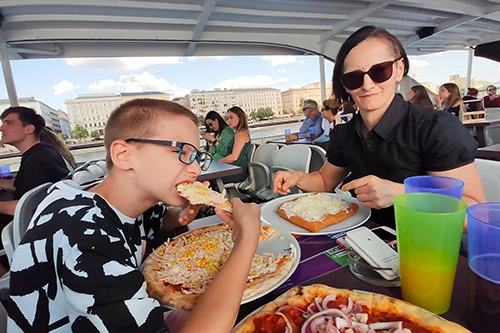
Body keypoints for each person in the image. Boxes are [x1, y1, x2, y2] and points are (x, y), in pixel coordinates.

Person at [8, 99, 261, 333]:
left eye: (196, 156)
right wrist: (247, 239)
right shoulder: (84, 232)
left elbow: (155, 221)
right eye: (183, 151)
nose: (195, 169)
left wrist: (180, 216)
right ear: (123, 155)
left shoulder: (105, 189)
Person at [273, 26, 485, 229]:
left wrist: (402, 195)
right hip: (362, 240)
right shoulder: (346, 133)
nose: (367, 85)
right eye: (354, 77)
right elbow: (325, 180)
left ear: (399, 69)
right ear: (345, 84)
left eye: (380, 71)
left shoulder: (436, 129)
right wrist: (297, 177)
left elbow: (475, 213)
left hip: (426, 250)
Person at [0, 106, 69, 216]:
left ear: (29, 129)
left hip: (31, 223)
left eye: (8, 123)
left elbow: (26, 207)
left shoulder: (36, 161)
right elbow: (27, 185)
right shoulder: (44, 152)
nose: (1, 128)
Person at [218, 106, 251, 183]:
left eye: (231, 118)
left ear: (240, 117)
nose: (228, 121)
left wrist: (218, 162)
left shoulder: (241, 133)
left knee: (211, 180)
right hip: (235, 169)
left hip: (237, 171)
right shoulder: (240, 132)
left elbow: (234, 157)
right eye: (227, 118)